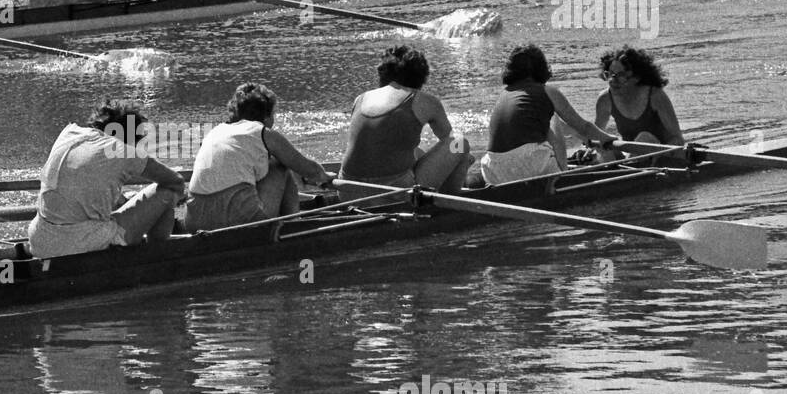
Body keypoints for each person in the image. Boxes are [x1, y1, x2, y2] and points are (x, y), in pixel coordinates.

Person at [28, 101, 185, 258]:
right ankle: (157, 259)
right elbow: (175, 181)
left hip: (40, 241)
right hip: (77, 245)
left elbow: (82, 189)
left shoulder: (70, 133)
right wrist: (178, 197)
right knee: (168, 192)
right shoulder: (121, 149)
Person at [186, 83, 333, 232]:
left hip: (194, 221)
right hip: (239, 220)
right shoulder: (262, 132)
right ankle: (293, 227)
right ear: (266, 116)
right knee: (280, 165)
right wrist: (326, 177)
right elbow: (311, 171)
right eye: (273, 114)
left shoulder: (215, 131)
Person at [471, 43, 618, 186]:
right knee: (553, 117)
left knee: (548, 121)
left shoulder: (505, 94)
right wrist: (606, 138)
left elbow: (571, 129)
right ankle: (562, 175)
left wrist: (582, 137)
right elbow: (584, 126)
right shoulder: (548, 91)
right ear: (542, 68)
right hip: (530, 166)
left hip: (493, 172)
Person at [338, 46, 472, 199]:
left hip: (346, 191)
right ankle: (451, 203)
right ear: (421, 76)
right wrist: (465, 158)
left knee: (415, 150)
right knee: (461, 143)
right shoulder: (426, 101)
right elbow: (449, 140)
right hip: (394, 193)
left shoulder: (361, 98)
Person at [593, 46, 685, 155]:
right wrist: (592, 151)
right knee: (605, 145)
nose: (613, 81)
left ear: (636, 77)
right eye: (610, 74)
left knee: (644, 137)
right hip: (632, 160)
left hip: (662, 158)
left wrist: (664, 153)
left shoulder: (655, 96)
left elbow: (678, 139)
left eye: (620, 75)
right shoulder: (605, 99)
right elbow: (595, 136)